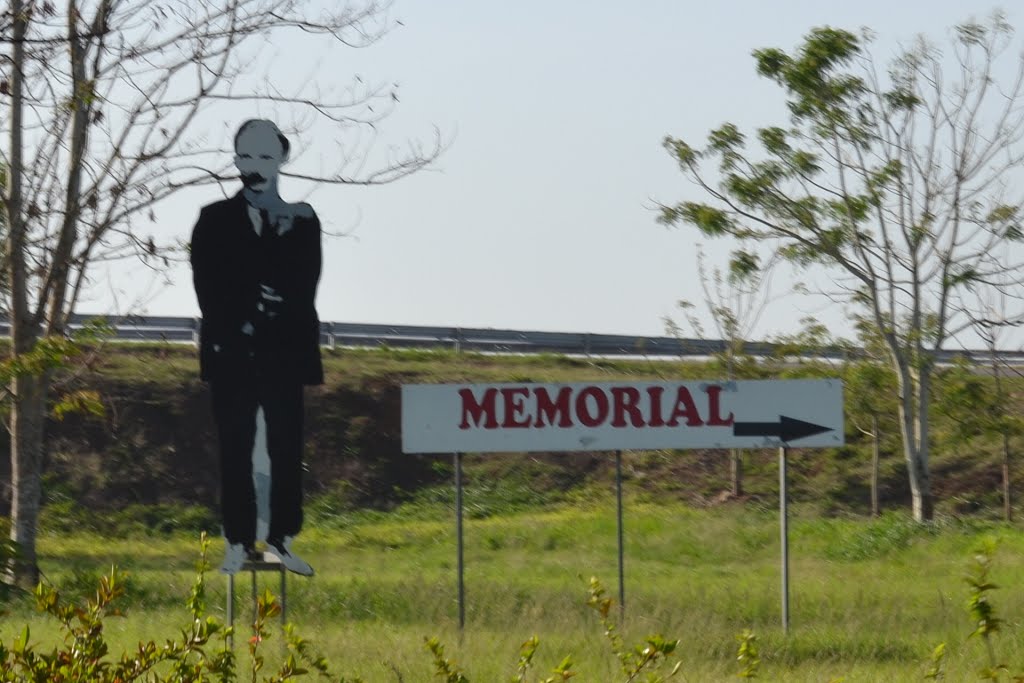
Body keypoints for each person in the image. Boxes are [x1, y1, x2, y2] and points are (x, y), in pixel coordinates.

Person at [190, 119, 323, 576]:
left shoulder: (302, 219)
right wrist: (248, 309)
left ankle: (282, 539)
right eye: (246, 157)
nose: (254, 167)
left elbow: (305, 284)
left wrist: (269, 303)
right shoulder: (213, 219)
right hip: (233, 353)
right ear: (235, 161)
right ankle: (237, 540)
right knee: (236, 446)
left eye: (264, 157)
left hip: (283, 353)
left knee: (286, 446)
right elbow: (207, 288)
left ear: (281, 159)